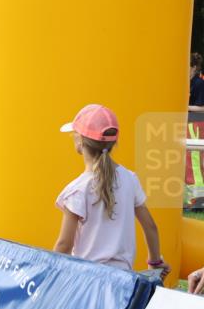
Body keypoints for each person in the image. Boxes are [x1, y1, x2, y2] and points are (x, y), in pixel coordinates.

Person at [53, 104, 171, 279]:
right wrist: (155, 262)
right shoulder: (130, 179)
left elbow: (64, 244)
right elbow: (150, 227)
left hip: (87, 281)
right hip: (122, 281)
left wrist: (49, 274)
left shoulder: (77, 190)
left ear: (80, 141)